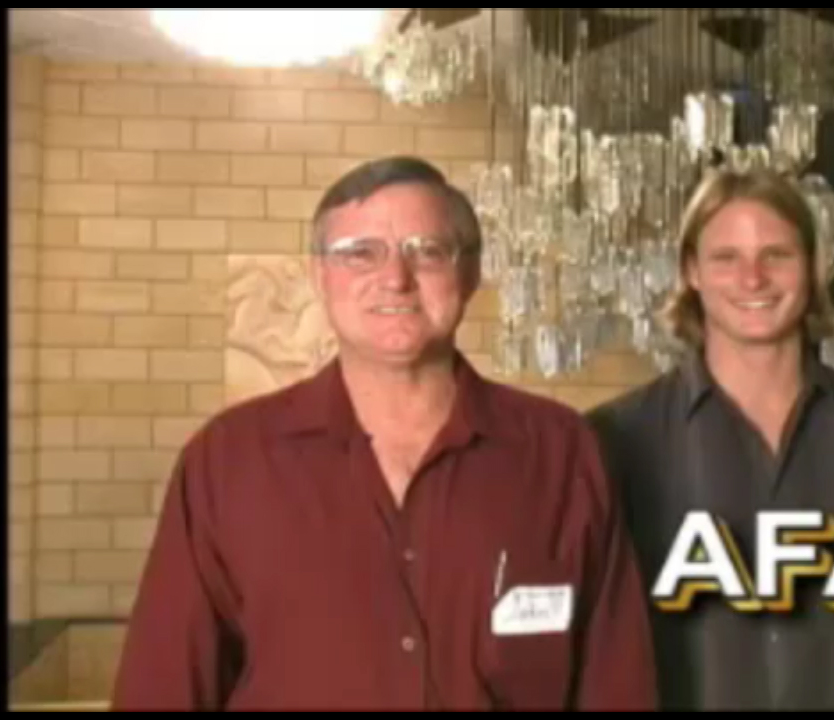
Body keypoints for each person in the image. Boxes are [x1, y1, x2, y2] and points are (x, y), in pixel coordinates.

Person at [111, 157, 657, 711]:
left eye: (428, 251)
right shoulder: (228, 461)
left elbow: (617, 686)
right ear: (319, 276)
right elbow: (164, 688)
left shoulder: (562, 454)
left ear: (470, 273)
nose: (395, 277)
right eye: (360, 254)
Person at [586, 168, 834, 711]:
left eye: (777, 255)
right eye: (726, 258)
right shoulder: (615, 438)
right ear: (692, 271)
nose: (753, 279)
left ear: (811, 265)